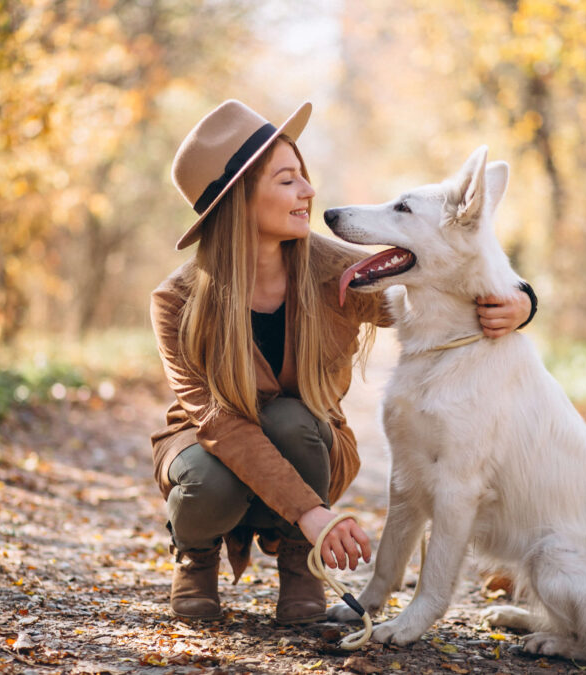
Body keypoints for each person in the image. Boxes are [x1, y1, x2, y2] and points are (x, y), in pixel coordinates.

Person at [149, 100, 535, 623]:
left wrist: (521, 299)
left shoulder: (337, 270)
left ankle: (297, 562)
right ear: (239, 200)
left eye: (303, 176)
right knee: (204, 478)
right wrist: (314, 514)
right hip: (210, 448)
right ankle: (196, 556)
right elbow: (219, 424)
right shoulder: (176, 301)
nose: (309, 191)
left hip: (306, 443)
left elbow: (445, 275)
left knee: (293, 420)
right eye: (288, 180)